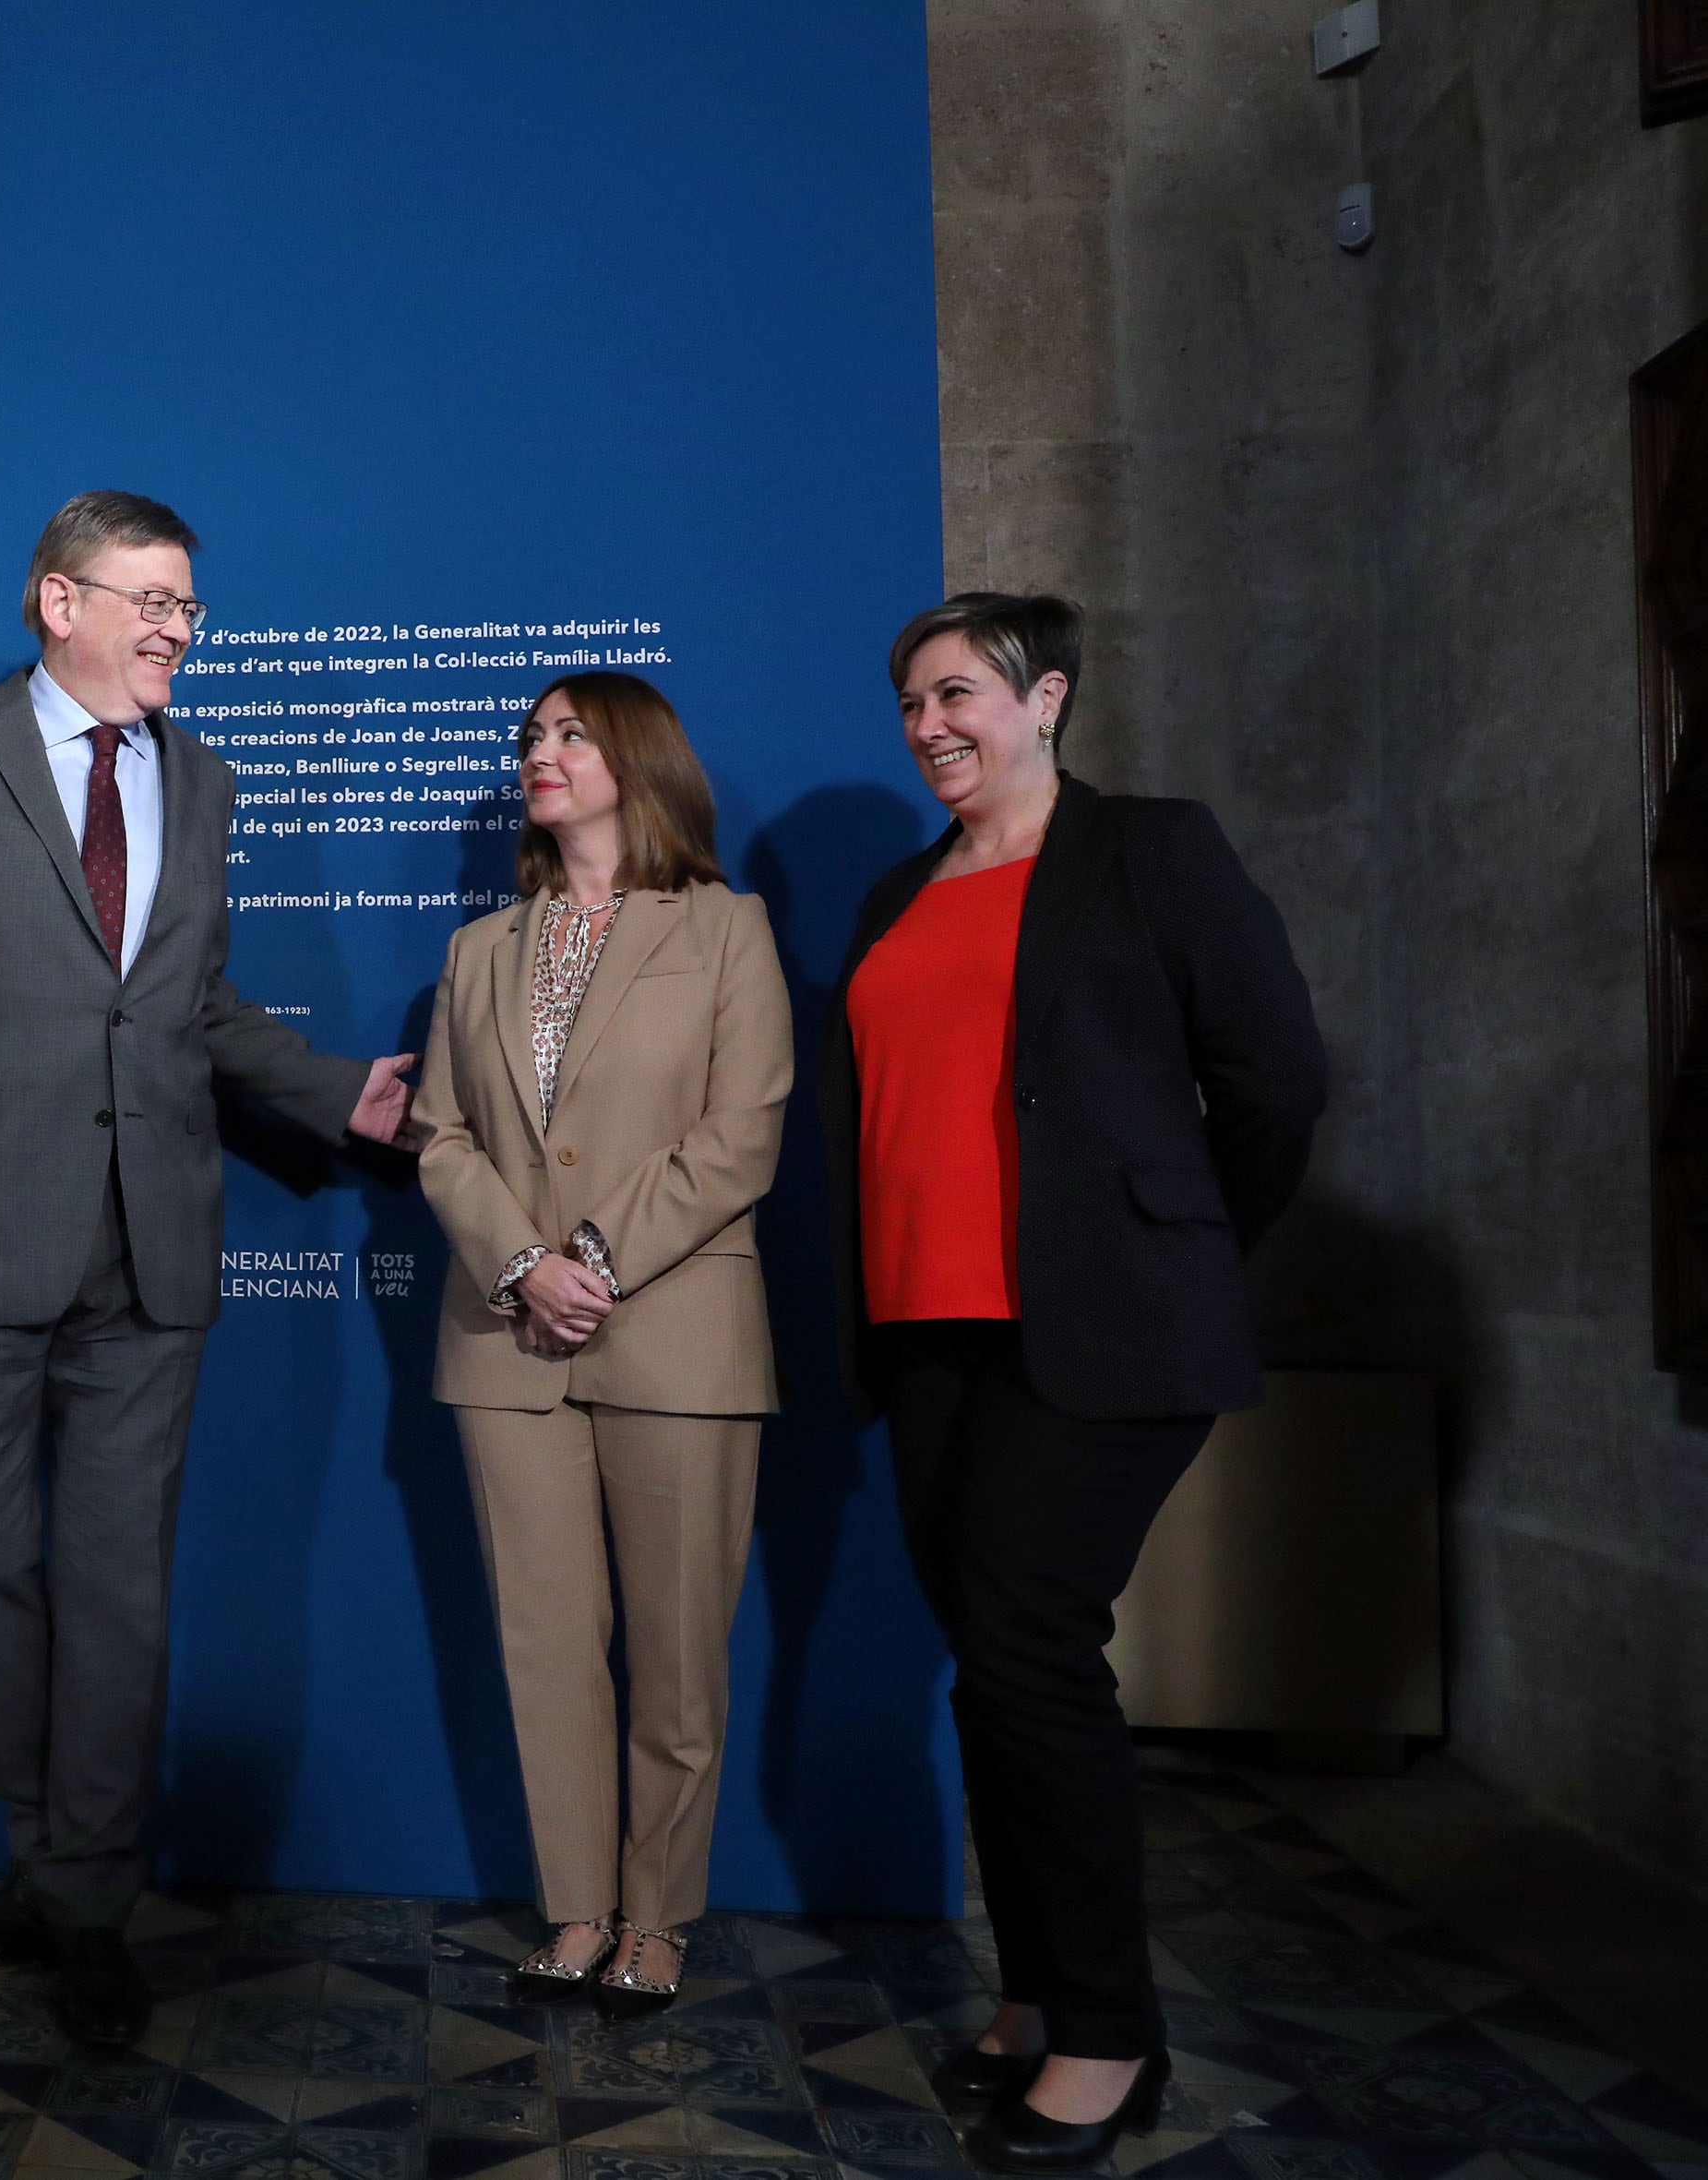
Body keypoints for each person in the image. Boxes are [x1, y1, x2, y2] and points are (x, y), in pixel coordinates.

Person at [0, 489, 416, 2049]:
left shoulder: (199, 779)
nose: (172, 627)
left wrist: (331, 1090)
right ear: (53, 602)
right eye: (145, 597)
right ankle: (44, 1839)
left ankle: (83, 1898)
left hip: (150, 1243)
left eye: (187, 605)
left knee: (120, 1589)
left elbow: (185, 1006)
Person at [826, 593, 1322, 2171]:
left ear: (1045, 697)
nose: (926, 724)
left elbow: (1272, 1082)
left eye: (956, 692)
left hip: (1091, 1332)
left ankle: (1109, 2033)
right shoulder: (897, 892)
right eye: (907, 701)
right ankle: (1038, 1993)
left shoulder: (1149, 850)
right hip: (923, 1333)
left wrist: (1160, 1245)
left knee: (1031, 1650)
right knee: (991, 1661)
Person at [411, 672, 790, 2016]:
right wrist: (522, 1264)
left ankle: (660, 1915)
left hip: (676, 1337)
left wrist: (597, 1258)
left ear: (637, 757)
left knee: (677, 1655)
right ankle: (574, 1909)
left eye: (569, 733)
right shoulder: (474, 952)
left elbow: (740, 1133)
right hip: (505, 1344)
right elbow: (440, 1135)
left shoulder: (725, 930)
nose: (539, 753)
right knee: (544, 1645)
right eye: (529, 736)